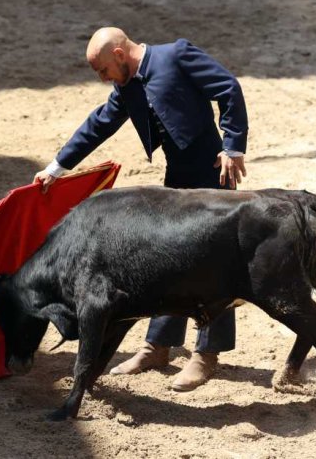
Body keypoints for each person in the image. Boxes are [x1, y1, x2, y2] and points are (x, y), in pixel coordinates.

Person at [33, 27, 248, 391]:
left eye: (102, 70)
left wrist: (232, 146)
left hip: (211, 174)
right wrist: (57, 167)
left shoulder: (176, 55)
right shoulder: (127, 86)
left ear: (119, 53)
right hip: (177, 178)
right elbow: (99, 123)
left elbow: (228, 87)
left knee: (214, 263)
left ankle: (206, 355)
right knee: (166, 260)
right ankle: (158, 345)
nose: (103, 80)